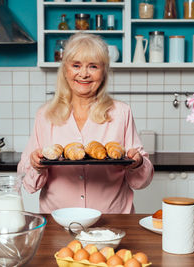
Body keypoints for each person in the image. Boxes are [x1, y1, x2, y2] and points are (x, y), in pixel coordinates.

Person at [18, 33, 154, 213]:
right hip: (58, 223)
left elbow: (141, 181)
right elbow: (28, 183)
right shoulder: (45, 116)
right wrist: (35, 166)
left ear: (103, 72)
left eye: (93, 66)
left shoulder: (121, 113)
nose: (83, 74)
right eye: (76, 65)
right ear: (65, 70)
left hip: (113, 221)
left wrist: (137, 163)